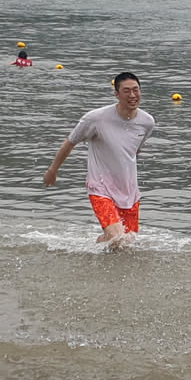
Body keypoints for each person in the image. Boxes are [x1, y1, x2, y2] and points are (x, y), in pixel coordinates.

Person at [42, 71, 157, 249]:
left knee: (126, 243)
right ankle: (100, 245)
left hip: (129, 191)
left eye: (136, 90)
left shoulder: (147, 122)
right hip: (100, 188)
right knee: (117, 237)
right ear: (117, 94)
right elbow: (70, 142)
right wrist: (53, 170)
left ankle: (95, 250)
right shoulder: (95, 119)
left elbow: (134, 151)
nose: (132, 95)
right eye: (126, 91)